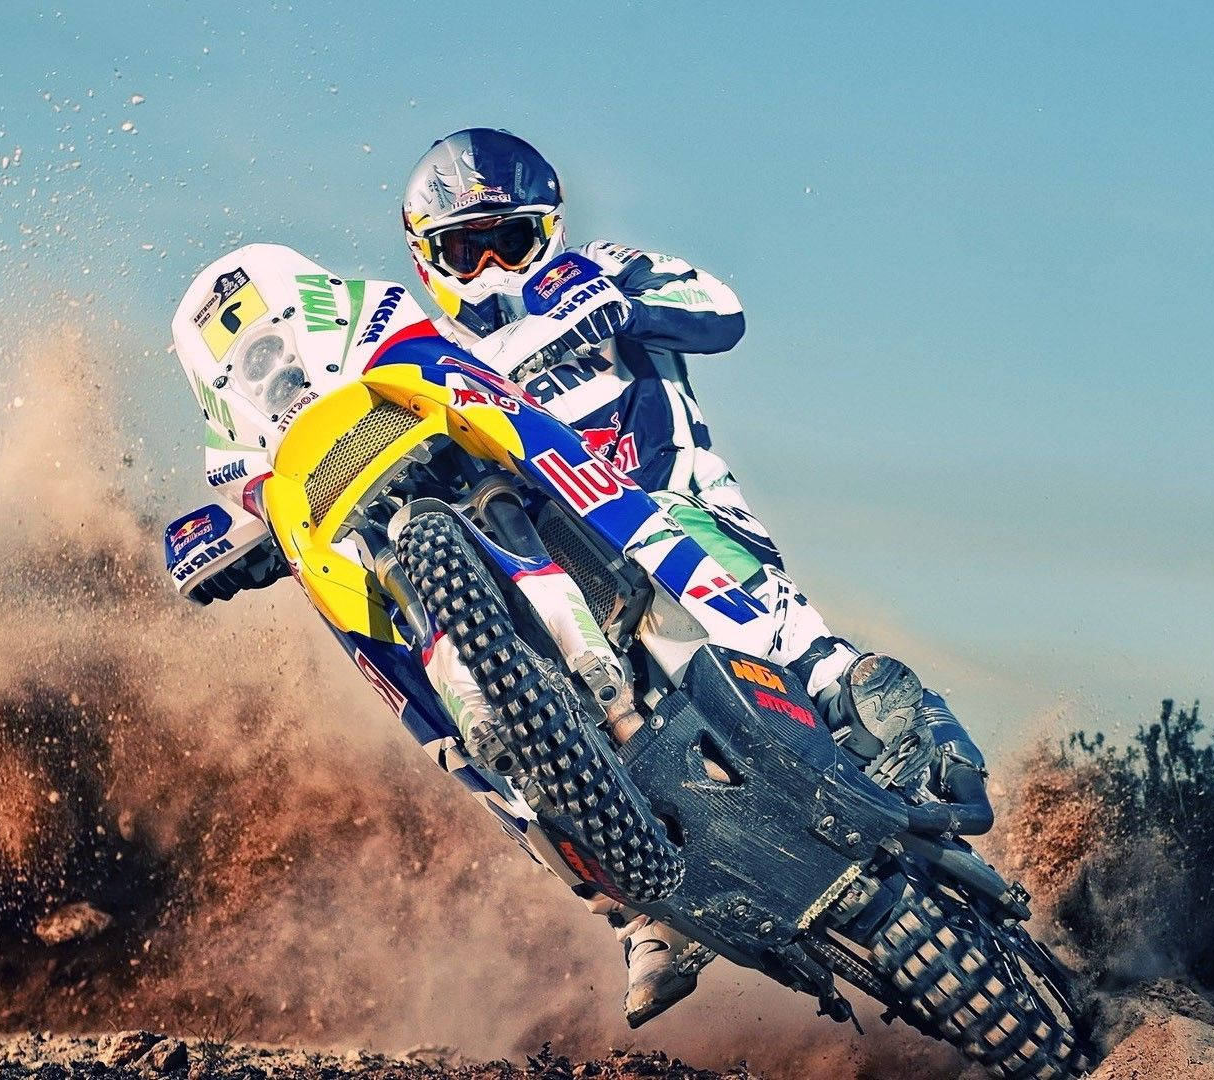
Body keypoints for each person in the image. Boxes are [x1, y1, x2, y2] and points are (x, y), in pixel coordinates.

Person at [398, 127, 992, 1025]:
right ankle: (635, 907)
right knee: (477, 717)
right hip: (555, 578)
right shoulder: (415, 356)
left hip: (668, 504)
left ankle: (903, 725)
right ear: (426, 255)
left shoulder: (596, 268)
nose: (486, 269)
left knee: (758, 612)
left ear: (547, 232)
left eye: (507, 241)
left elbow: (721, 309)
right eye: (461, 249)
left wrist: (618, 305)